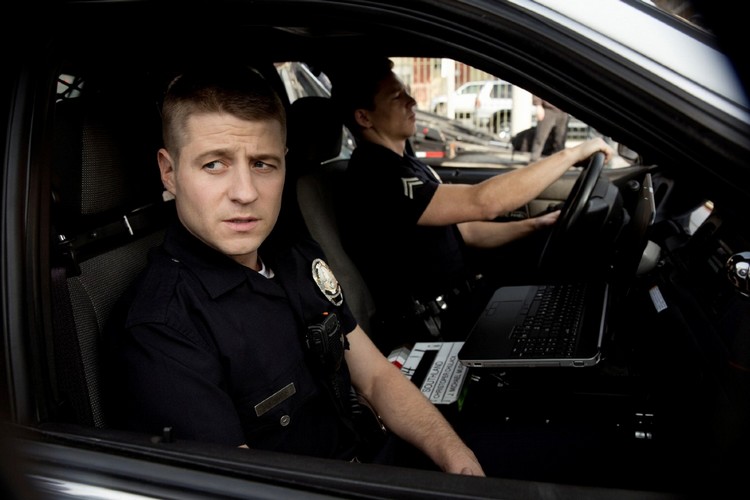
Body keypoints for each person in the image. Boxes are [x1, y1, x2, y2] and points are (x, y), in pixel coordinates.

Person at [101, 65, 484, 476]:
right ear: (170, 172)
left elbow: (375, 378)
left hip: (373, 456)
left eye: (263, 164)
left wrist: (457, 459)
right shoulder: (162, 329)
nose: (245, 193)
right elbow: (243, 485)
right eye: (214, 164)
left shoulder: (293, 255)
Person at [332, 57, 614, 351]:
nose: (412, 102)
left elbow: (466, 231)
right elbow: (483, 202)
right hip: (436, 328)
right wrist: (570, 155)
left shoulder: (406, 165)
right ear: (364, 117)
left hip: (464, 301)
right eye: (397, 97)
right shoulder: (377, 175)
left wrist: (535, 224)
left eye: (407, 93)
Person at [529, 96, 570, 161]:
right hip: (548, 110)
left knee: (560, 141)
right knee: (540, 138)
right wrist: (538, 106)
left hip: (563, 112)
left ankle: (559, 162)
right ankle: (533, 161)